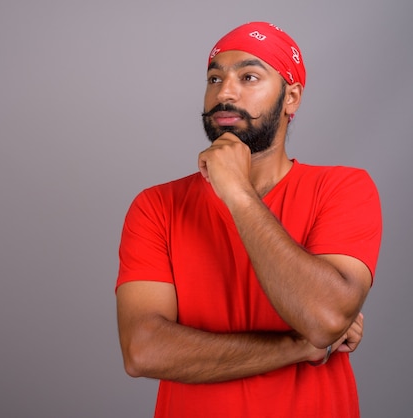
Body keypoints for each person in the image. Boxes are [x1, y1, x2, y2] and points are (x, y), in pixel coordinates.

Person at [115, 22, 382, 417]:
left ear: (291, 98)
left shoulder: (343, 188)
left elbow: (325, 317)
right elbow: (143, 349)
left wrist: (237, 193)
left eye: (249, 77)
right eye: (214, 77)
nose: (224, 92)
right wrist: (300, 345)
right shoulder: (157, 206)